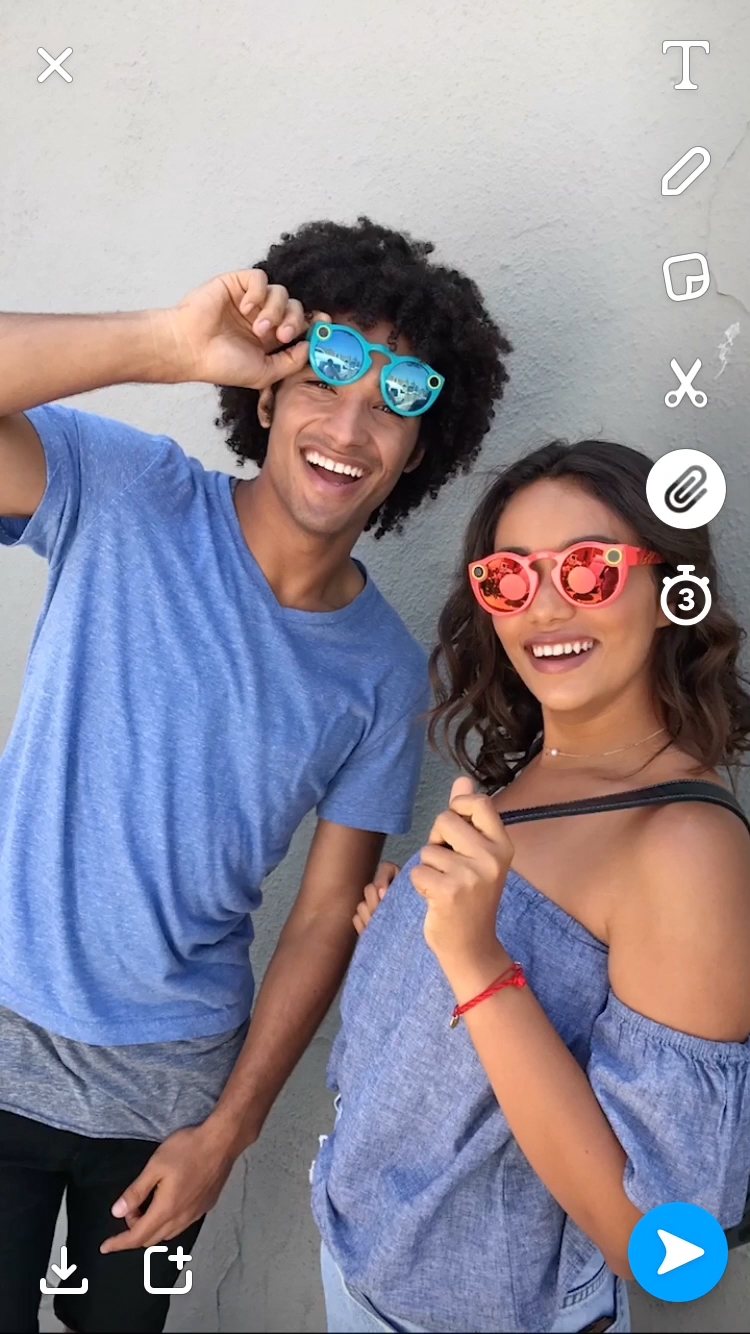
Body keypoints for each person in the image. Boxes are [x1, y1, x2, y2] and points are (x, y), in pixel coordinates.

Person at [0, 217, 511, 1334]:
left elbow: (327, 914)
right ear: (268, 395)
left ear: (420, 448)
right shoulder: (129, 493)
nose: (350, 426)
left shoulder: (383, 671)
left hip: (168, 1098)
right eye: (325, 376)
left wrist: (226, 1133)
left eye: (395, 402)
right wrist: (168, 344)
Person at [311, 439, 750, 1334]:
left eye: (589, 568)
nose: (545, 607)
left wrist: (475, 961)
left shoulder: (686, 846)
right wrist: (410, 942)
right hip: (363, 1263)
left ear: (672, 589)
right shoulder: (524, 780)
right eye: (509, 577)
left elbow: (664, 1248)